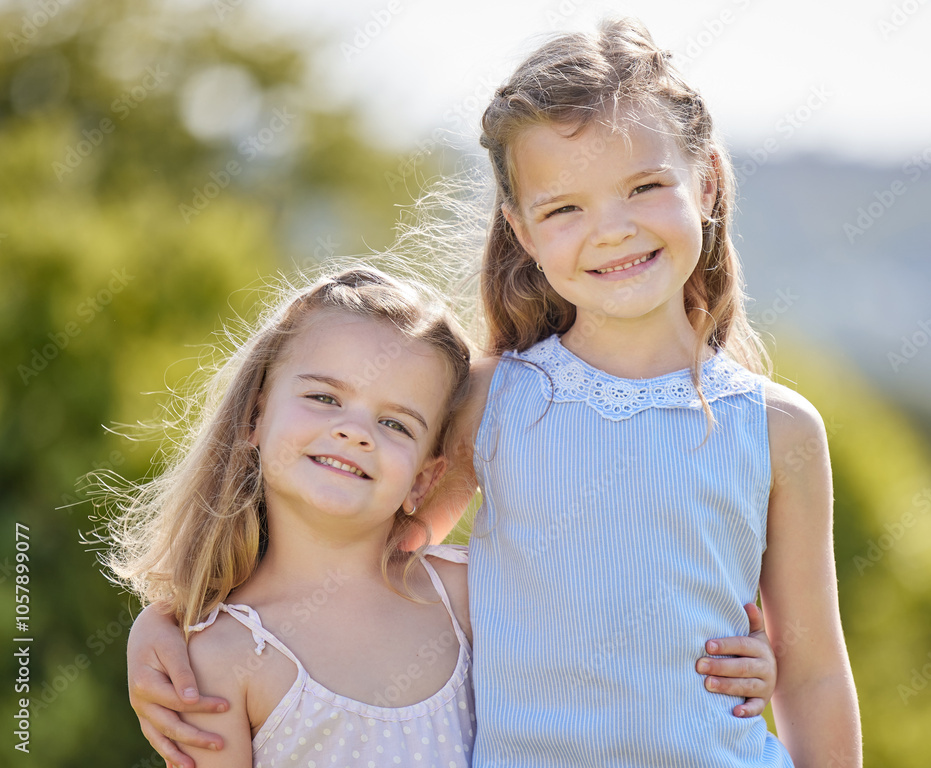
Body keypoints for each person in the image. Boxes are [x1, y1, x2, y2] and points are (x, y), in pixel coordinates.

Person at [124, 16, 852, 767]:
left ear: (704, 184)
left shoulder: (776, 428)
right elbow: (358, 554)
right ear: (522, 230)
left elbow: (816, 673)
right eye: (565, 208)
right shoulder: (492, 403)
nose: (611, 230)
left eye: (644, 187)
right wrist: (172, 623)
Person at [107, 268, 478, 767]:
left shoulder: (469, 596)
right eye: (324, 398)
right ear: (254, 418)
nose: (355, 432)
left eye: (394, 423)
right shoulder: (217, 658)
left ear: (423, 480)